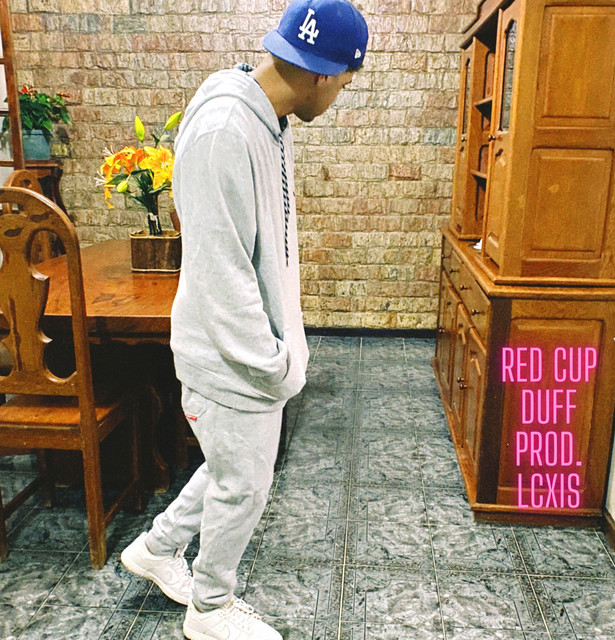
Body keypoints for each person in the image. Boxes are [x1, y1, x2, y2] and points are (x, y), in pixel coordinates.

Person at [120, 1, 369, 639]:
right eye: (344, 83)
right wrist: (271, 363)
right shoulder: (226, 129)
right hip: (231, 358)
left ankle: (156, 549)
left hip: (244, 352)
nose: (339, 96)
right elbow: (220, 271)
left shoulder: (269, 119)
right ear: (322, 72)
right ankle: (209, 609)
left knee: (231, 467)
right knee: (244, 486)